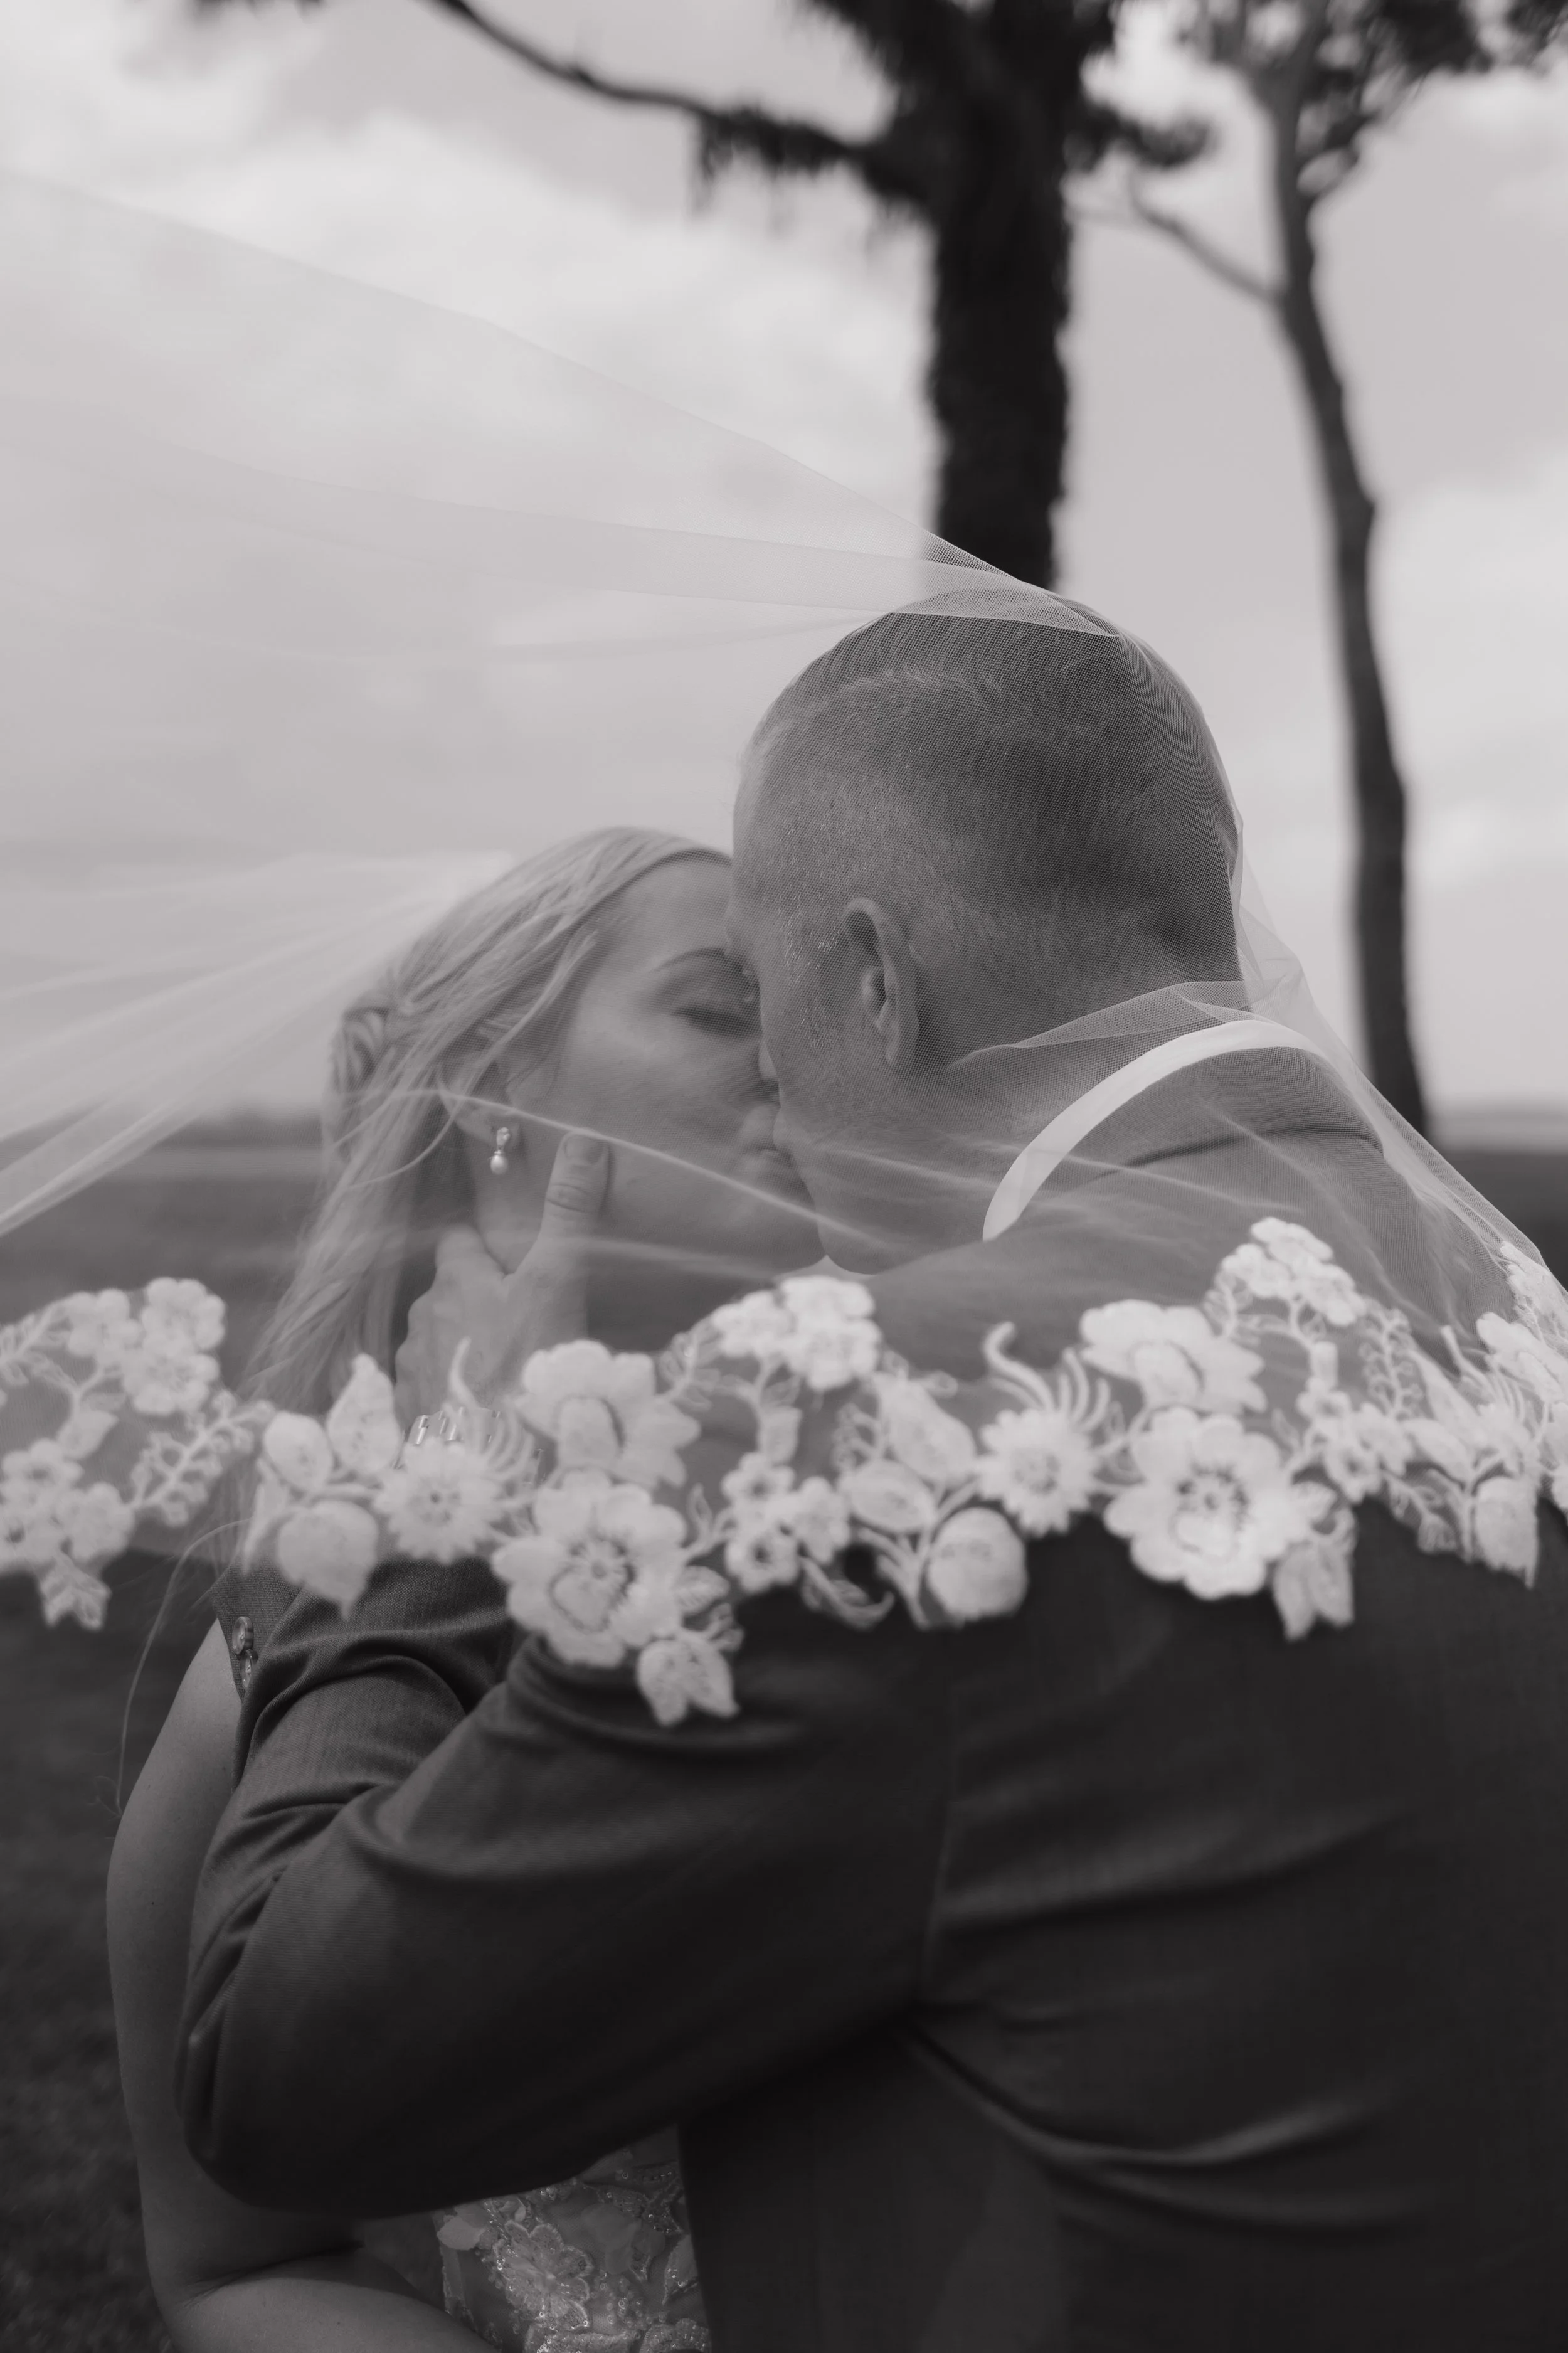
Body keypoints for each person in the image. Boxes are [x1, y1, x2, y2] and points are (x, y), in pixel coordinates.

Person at [174, 610, 1568, 2350]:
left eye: (762, 999)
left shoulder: (870, 1424)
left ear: (872, 976)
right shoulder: (1510, 1305)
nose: (772, 1080)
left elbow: (282, 2069)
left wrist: (427, 1511)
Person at [107, 826, 818, 2350]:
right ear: (496, 1100)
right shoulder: (287, 1667)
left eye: (812, 1009)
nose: (799, 1064)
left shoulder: (931, 1520)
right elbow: (237, 2262)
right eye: (717, 1006)